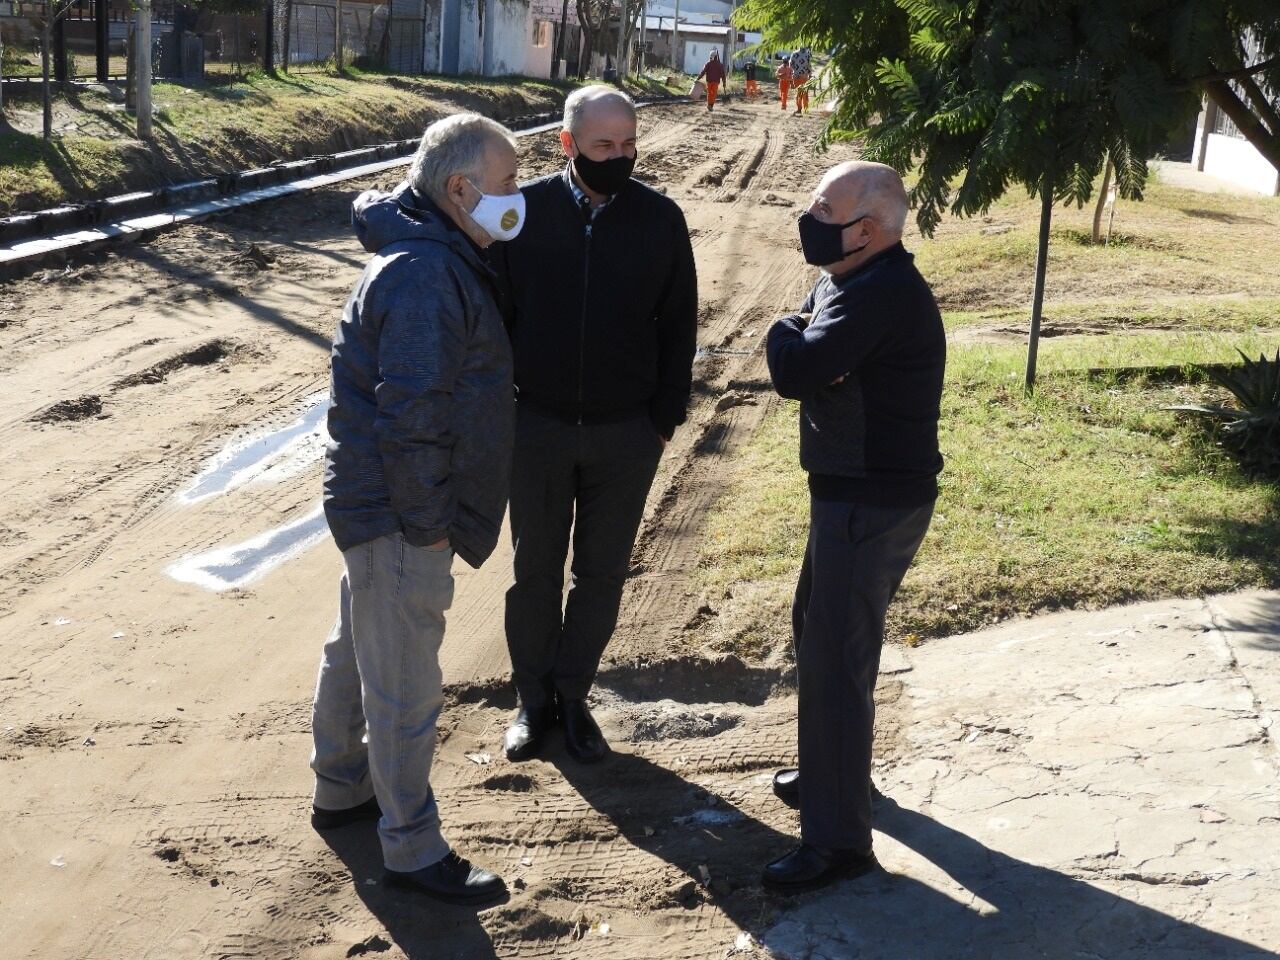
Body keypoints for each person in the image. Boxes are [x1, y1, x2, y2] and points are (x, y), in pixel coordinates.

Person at [311, 114, 523, 905]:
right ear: (459, 189)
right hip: (401, 514)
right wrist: (430, 523)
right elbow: (413, 415)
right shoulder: (427, 275)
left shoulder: (435, 255)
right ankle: (411, 846)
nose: (518, 196)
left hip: (376, 508)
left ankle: (340, 788)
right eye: (508, 183)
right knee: (404, 682)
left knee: (355, 646)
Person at [496, 86, 698, 766]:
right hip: (539, 426)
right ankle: (531, 702)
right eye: (604, 146)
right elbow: (493, 318)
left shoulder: (660, 220)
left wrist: (664, 419)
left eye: (629, 145)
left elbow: (679, 324)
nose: (619, 157)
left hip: (626, 434)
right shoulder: (523, 217)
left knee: (602, 575)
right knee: (534, 573)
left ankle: (573, 695)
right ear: (568, 144)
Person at [762, 161, 945, 893]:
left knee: (836, 661)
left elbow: (796, 367)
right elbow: (816, 352)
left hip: (868, 502)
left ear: (866, 230)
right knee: (819, 629)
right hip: (852, 494)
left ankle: (839, 843)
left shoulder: (879, 292)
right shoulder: (852, 276)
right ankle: (832, 775)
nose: (809, 217)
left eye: (823, 207)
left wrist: (784, 328)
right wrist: (806, 337)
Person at [791, 46, 812, 115]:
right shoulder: (807, 54)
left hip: (796, 76)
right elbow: (809, 66)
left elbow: (791, 64)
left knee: (798, 93)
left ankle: (799, 109)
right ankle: (806, 109)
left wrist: (795, 71)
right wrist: (809, 74)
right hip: (804, 76)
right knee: (805, 93)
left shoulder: (794, 53)